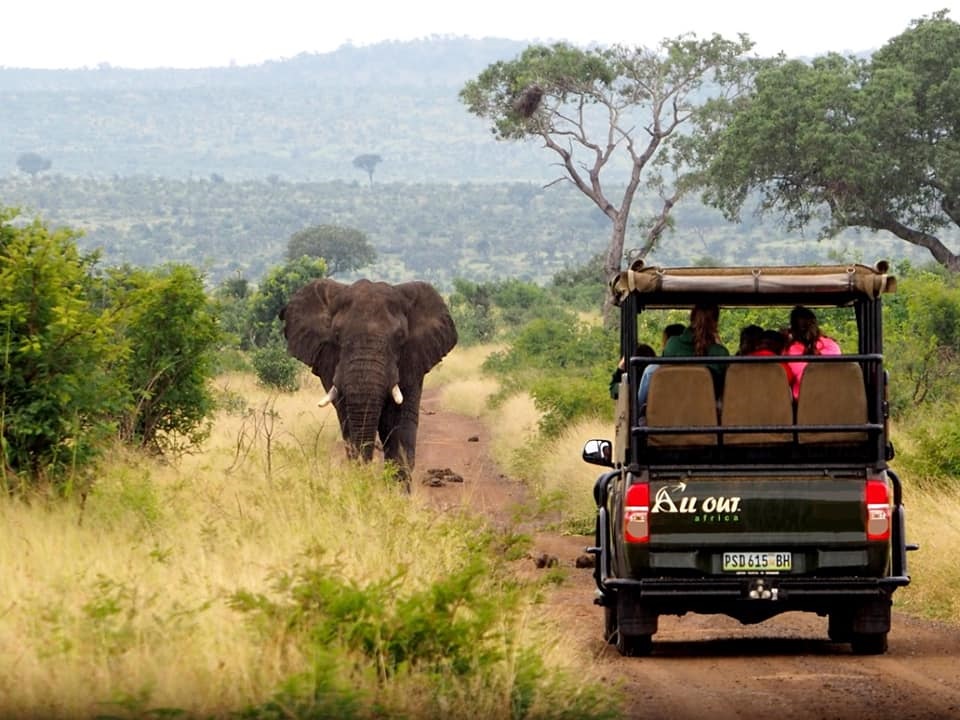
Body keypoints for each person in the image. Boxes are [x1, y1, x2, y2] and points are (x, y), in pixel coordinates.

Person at [638, 305, 729, 407]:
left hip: (672, 410)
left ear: (691, 318)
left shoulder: (672, 345)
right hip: (707, 412)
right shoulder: (720, 353)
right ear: (716, 323)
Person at [783, 305, 841, 399]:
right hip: (834, 397)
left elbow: (794, 377)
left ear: (793, 328)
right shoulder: (832, 345)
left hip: (803, 401)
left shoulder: (790, 350)